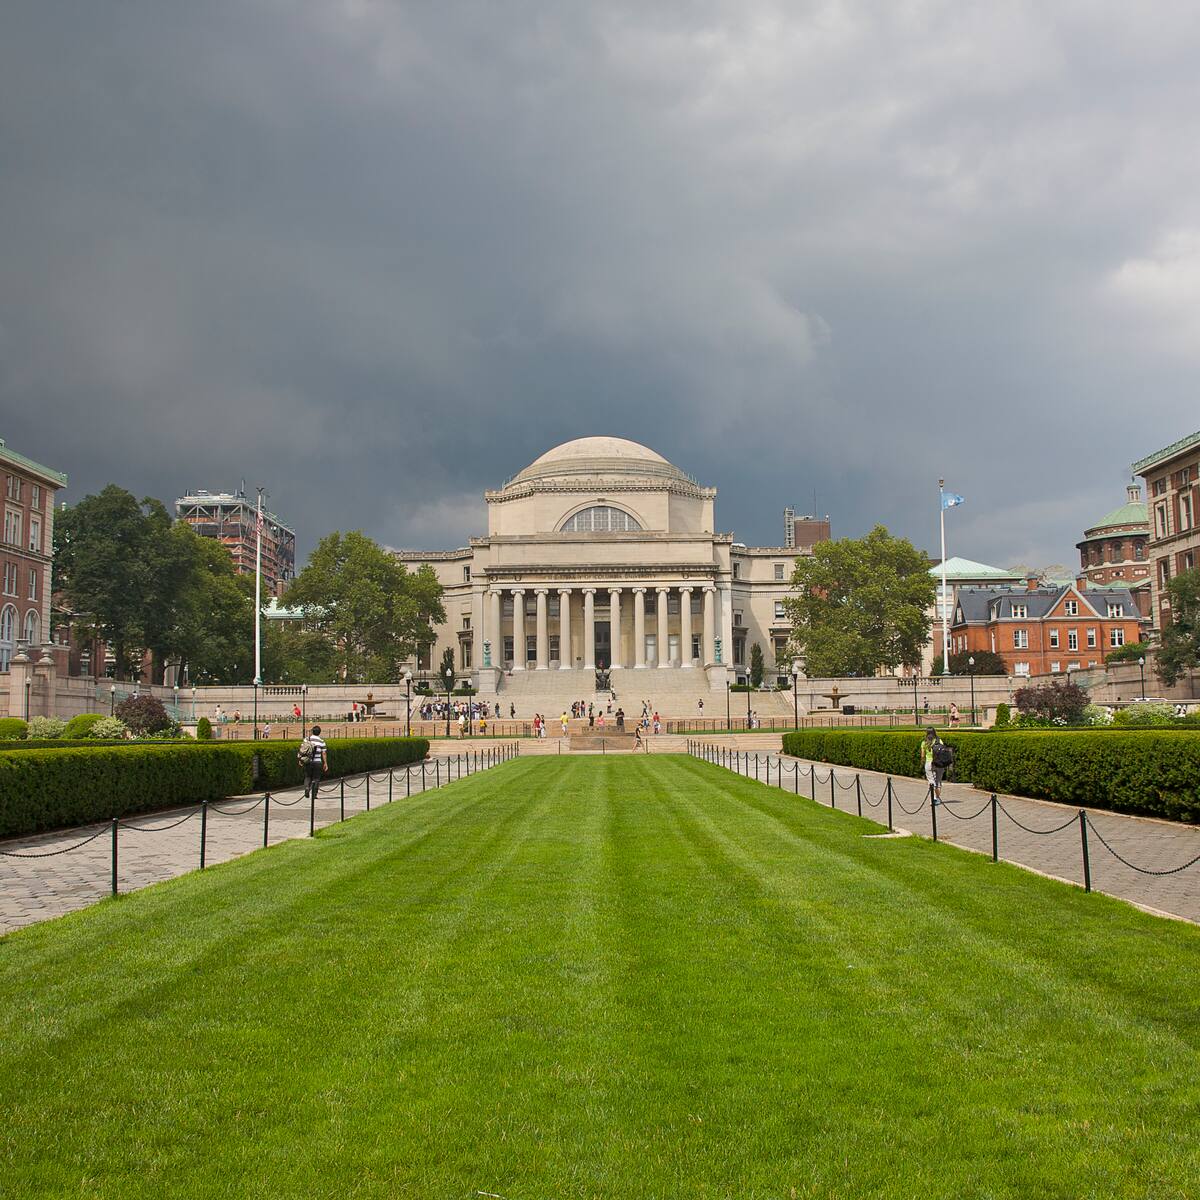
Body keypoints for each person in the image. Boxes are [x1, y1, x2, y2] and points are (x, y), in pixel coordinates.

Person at [920, 727, 953, 804]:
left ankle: (933, 798)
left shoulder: (924, 743)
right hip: (939, 763)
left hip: (929, 763)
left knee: (931, 781)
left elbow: (922, 755)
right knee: (938, 781)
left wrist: (922, 762)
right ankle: (936, 798)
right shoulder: (939, 741)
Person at [299, 724, 328, 800]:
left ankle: (307, 788)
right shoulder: (322, 741)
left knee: (307, 776)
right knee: (316, 778)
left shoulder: (306, 739)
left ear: (312, 731)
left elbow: (302, 749)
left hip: (308, 761)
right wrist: (325, 763)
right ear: (319, 732)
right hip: (318, 762)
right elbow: (324, 753)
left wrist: (301, 760)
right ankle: (314, 794)